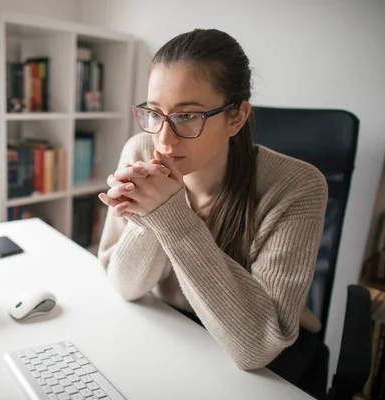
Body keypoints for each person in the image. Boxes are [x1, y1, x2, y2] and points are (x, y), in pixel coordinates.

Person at [97, 29, 328, 387]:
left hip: (262, 366)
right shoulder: (139, 150)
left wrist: (169, 214)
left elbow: (257, 346)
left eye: (187, 116)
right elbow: (126, 287)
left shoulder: (297, 186)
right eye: (155, 113)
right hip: (171, 328)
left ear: (236, 117)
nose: (163, 139)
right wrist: (147, 217)